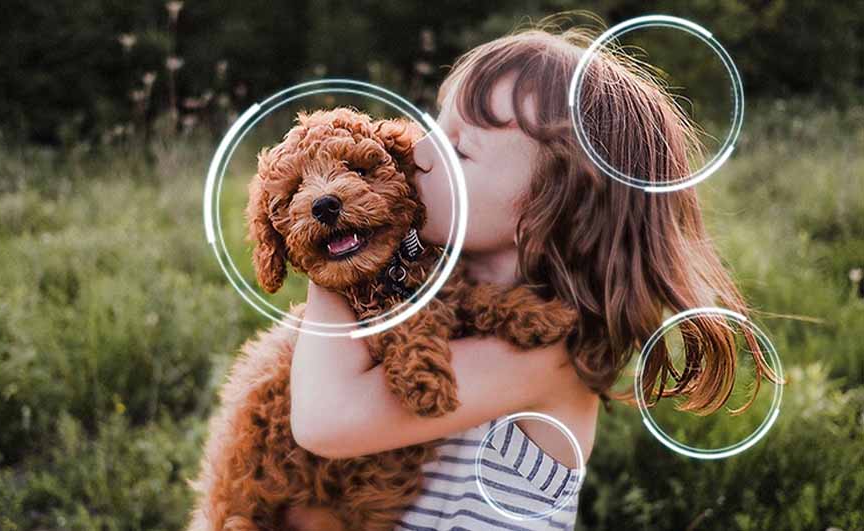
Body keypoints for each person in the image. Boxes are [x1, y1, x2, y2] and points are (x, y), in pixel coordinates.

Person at [290, 14, 777, 530]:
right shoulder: (442, 306)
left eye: (459, 149)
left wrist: (332, 258)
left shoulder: (543, 355)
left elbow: (325, 420)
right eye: (435, 123)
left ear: (546, 212)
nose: (416, 150)